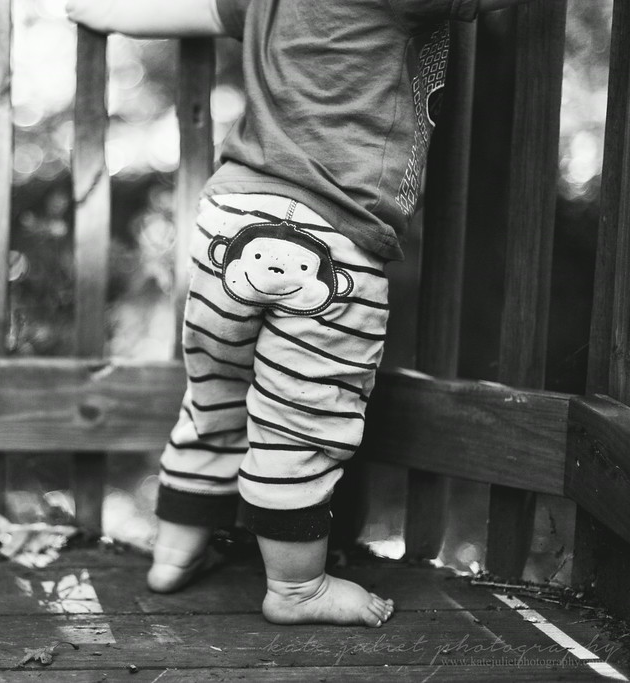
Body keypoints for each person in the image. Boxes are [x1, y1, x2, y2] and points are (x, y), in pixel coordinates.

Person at [66, 0, 533, 627]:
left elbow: (198, 9)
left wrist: (102, 10)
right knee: (302, 420)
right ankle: (296, 587)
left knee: (215, 395)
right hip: (332, 233)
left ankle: (173, 555)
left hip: (229, 219)